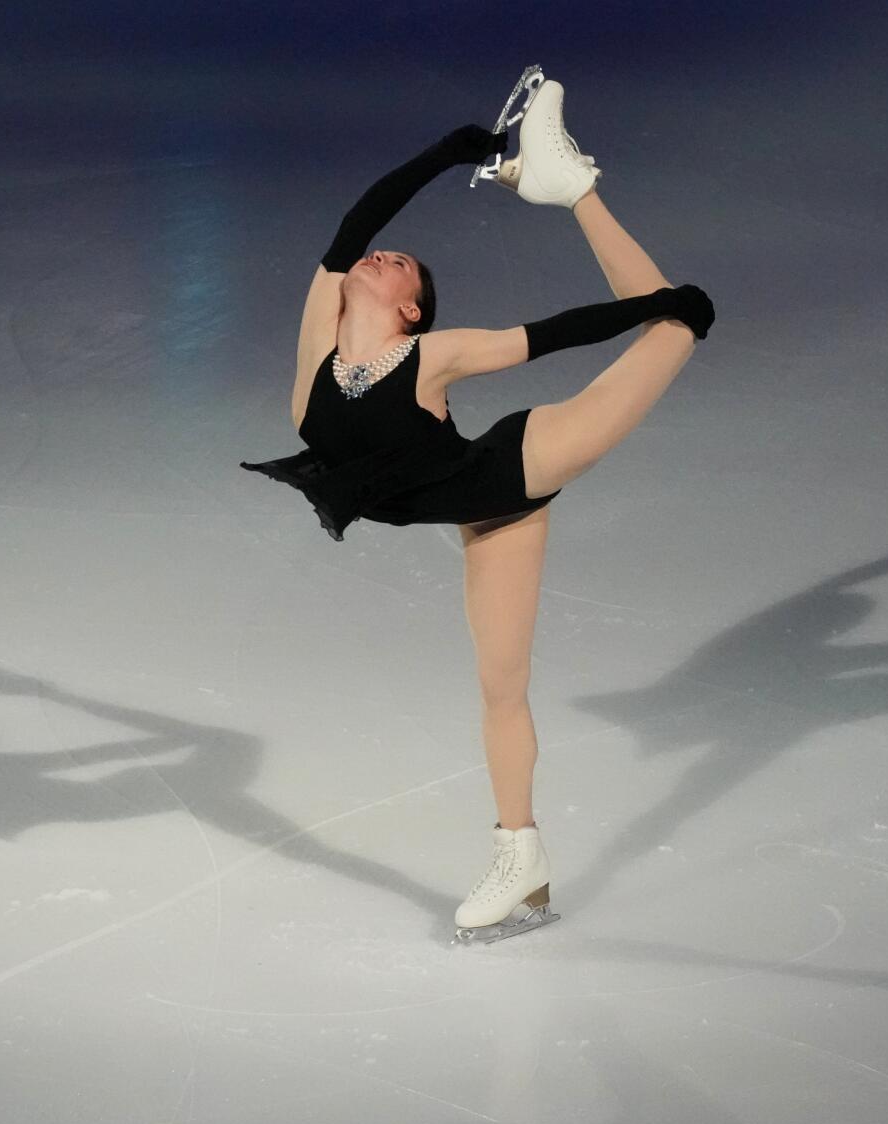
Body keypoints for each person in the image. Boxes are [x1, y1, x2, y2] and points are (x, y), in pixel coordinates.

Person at [240, 75, 715, 942]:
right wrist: (450, 152)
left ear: (412, 306)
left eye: (399, 264)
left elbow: (548, 336)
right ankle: (521, 854)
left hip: (516, 465)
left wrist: (658, 303)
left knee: (676, 330)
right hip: (485, 515)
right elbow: (355, 224)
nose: (382, 257)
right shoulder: (317, 347)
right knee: (502, 688)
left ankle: (577, 191)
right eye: (382, 258)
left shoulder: (432, 354)